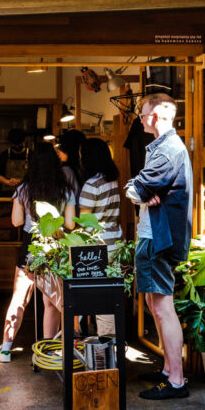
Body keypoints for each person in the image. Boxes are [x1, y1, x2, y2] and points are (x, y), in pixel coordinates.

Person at [125, 93, 193, 400]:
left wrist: (136, 191)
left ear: (155, 117)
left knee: (164, 308)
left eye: (142, 114)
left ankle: (176, 380)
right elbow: (140, 189)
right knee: (156, 305)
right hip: (154, 234)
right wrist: (138, 191)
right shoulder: (164, 147)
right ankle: (168, 369)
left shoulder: (167, 151)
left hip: (160, 238)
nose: (140, 119)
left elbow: (138, 187)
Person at [0, 143, 75, 362]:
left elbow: (17, 221)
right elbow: (70, 225)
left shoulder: (24, 189)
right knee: (50, 302)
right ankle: (48, 351)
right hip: (56, 248)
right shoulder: (66, 190)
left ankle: (6, 349)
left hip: (30, 246)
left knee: (20, 298)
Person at [79, 138, 123, 336]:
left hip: (97, 245)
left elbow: (85, 221)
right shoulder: (112, 180)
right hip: (115, 241)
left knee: (100, 297)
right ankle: (112, 339)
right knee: (111, 294)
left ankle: (106, 343)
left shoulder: (92, 184)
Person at [56, 129, 87, 211]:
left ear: (69, 149)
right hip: (80, 216)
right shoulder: (82, 168)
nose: (58, 151)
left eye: (61, 147)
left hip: (69, 218)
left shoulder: (66, 171)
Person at [0, 128, 29, 197]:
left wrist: (23, 182)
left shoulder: (31, 155)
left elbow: (36, 175)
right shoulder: (4, 155)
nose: (17, 146)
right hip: (7, 192)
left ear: (24, 141)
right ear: (11, 143)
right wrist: (7, 181)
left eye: (19, 143)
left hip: (26, 192)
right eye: (15, 144)